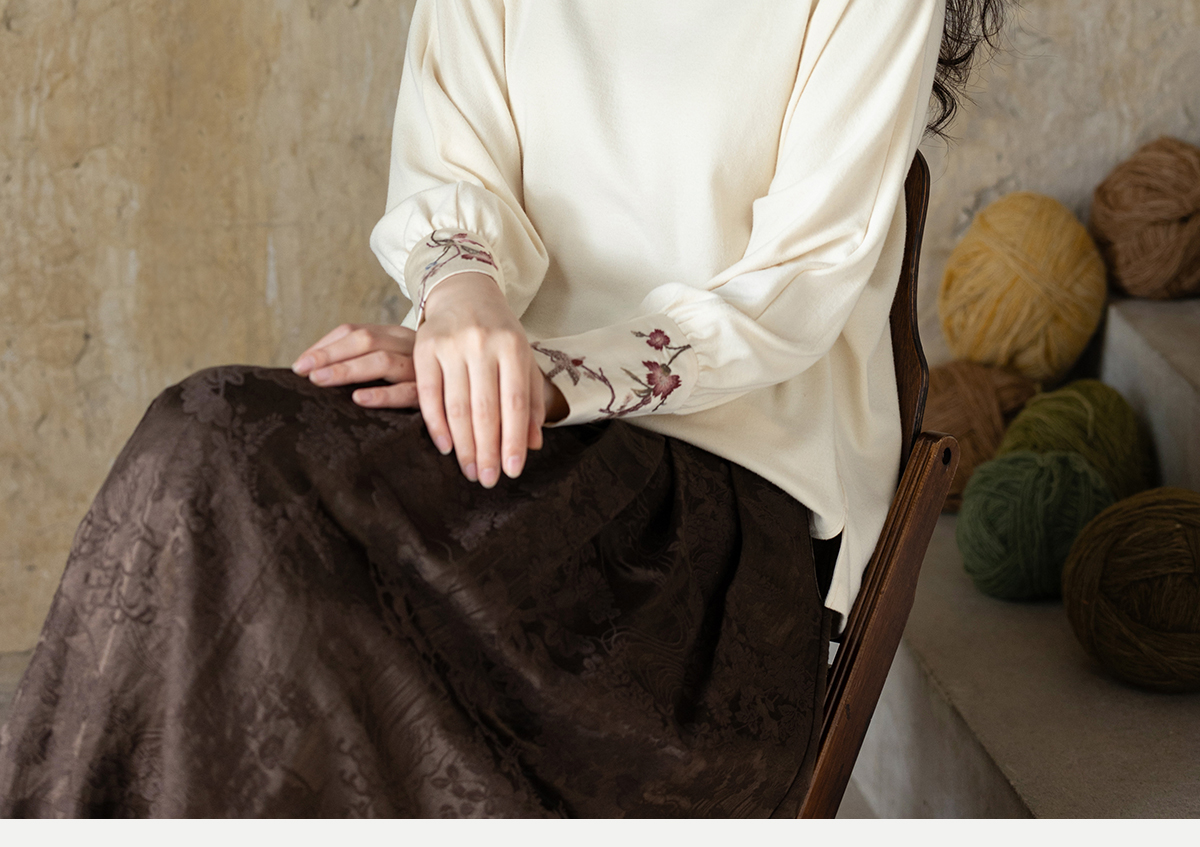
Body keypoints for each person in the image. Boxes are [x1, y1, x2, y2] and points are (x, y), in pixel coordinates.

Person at [0, 0, 1007, 818]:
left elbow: (796, 286)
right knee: (208, 454)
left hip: (706, 534)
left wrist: (550, 373)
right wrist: (460, 299)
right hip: (500, 453)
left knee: (233, 473)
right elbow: (456, 161)